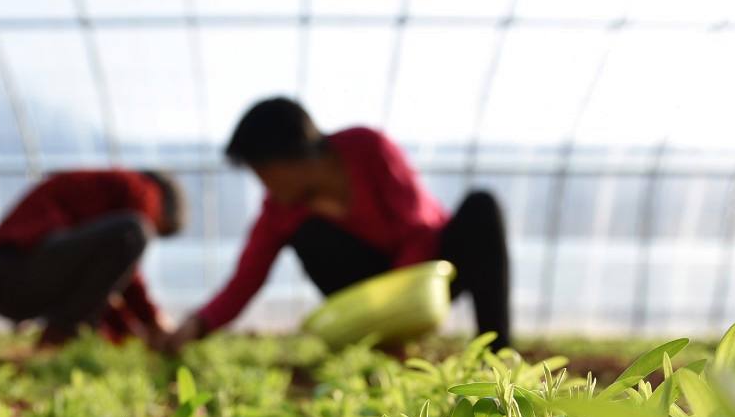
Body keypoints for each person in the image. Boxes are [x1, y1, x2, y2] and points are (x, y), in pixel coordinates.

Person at [166, 97, 510, 353]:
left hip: (432, 272)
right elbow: (244, 281)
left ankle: (499, 355)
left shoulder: (367, 148)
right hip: (372, 302)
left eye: (264, 173)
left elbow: (418, 229)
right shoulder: (280, 212)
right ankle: (383, 347)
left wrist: (403, 303)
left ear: (292, 158)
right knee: (310, 238)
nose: (265, 185)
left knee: (482, 207)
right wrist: (197, 325)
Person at [0, 169, 183, 347]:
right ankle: (56, 340)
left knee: (129, 236)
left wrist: (131, 331)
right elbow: (125, 267)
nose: (153, 231)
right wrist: (153, 319)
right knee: (133, 232)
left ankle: (58, 340)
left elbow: (102, 284)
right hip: (14, 272)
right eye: (159, 227)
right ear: (165, 206)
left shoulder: (106, 192)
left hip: (8, 279)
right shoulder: (143, 189)